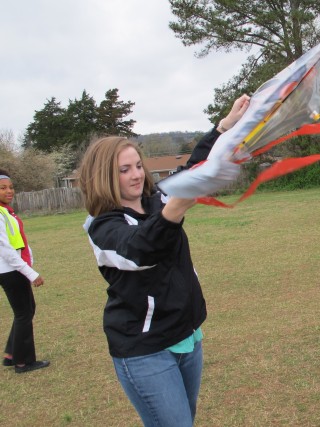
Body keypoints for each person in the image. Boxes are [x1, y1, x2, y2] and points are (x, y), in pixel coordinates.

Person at [78, 95, 249, 427]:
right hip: (145, 350)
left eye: (138, 165)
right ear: (104, 176)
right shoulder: (102, 225)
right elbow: (142, 248)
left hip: (186, 335)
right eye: (124, 170)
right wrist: (177, 207)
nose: (136, 175)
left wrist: (224, 126)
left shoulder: (156, 199)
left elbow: (196, 167)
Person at [0, 169, 49, 373]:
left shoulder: (7, 212)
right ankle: (23, 362)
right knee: (24, 314)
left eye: (11, 187)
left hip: (15, 269)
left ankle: (12, 354)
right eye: (3, 188)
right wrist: (30, 272)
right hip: (10, 271)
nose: (9, 191)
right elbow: (6, 250)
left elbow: (18, 242)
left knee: (25, 311)